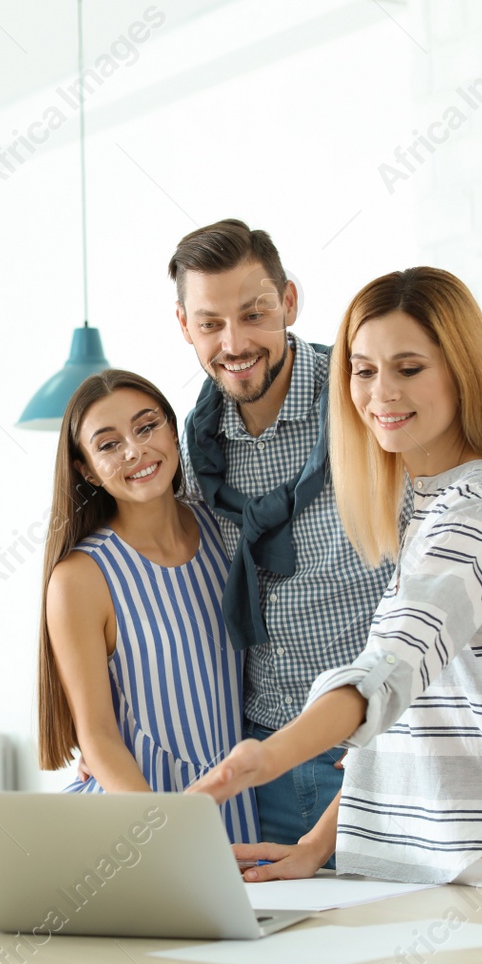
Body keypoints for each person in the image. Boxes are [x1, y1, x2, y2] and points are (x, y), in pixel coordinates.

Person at [189, 266, 482, 964]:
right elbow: (411, 720)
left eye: (408, 368)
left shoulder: (476, 508)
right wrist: (317, 845)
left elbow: (393, 661)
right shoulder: (422, 509)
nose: (380, 393)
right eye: (362, 370)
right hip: (436, 883)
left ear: (462, 373)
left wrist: (270, 753)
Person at [167, 219, 395, 865]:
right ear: (184, 325)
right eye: (210, 323)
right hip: (259, 756)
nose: (233, 343)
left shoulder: (368, 403)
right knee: (277, 958)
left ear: (289, 302)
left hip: (374, 749)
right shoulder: (195, 446)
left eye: (254, 314)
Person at [37, 369, 257, 844]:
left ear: (172, 430)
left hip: (237, 802)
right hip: (137, 817)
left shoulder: (223, 527)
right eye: (109, 444)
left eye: (146, 426)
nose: (135, 451)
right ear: (86, 469)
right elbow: (96, 736)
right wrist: (162, 831)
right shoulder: (80, 577)